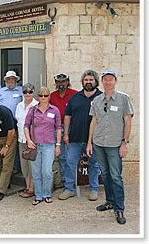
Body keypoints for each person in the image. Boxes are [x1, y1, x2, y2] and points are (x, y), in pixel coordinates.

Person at [87, 70, 134, 225]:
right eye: (105, 79)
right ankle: (110, 202)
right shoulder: (97, 100)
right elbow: (93, 122)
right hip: (99, 143)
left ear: (115, 81)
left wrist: (124, 143)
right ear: (102, 81)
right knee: (105, 175)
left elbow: (127, 122)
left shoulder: (123, 99)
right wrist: (89, 142)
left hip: (115, 144)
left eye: (110, 79)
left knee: (116, 176)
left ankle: (119, 208)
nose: (107, 82)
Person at [59, 70, 102, 201]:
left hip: (94, 140)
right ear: (82, 82)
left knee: (94, 165)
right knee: (70, 163)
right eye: (86, 80)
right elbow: (67, 116)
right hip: (75, 139)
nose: (88, 82)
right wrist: (66, 134)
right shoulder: (75, 97)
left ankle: (93, 189)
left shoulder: (101, 97)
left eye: (91, 80)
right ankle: (69, 189)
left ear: (96, 82)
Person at [24, 87, 62, 206]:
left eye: (46, 95)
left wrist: (58, 145)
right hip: (35, 145)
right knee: (36, 172)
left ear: (49, 96)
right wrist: (29, 140)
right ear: (38, 97)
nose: (43, 98)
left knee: (47, 171)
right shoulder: (33, 110)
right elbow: (26, 126)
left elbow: (58, 128)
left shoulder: (54, 110)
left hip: (49, 145)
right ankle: (38, 195)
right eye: (41, 96)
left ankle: (47, 194)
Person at [49, 74, 78, 188]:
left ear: (67, 82)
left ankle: (73, 180)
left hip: (71, 128)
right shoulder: (52, 96)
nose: (61, 84)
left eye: (63, 82)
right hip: (57, 128)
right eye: (59, 82)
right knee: (61, 155)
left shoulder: (74, 94)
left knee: (71, 155)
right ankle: (65, 179)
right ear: (56, 83)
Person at [0, 70, 23, 174]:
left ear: (16, 80)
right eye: (9, 79)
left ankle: (15, 166)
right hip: (3, 123)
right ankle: (4, 165)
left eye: (12, 79)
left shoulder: (21, 91)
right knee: (5, 143)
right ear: (6, 80)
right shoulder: (1, 91)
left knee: (15, 145)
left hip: (17, 122)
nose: (11, 80)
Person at [15, 83, 38, 198]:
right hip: (21, 139)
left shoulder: (37, 105)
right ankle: (27, 186)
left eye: (30, 92)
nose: (27, 94)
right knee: (24, 165)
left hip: (32, 140)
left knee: (32, 164)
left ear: (33, 93)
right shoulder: (19, 105)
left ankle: (32, 188)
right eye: (25, 92)